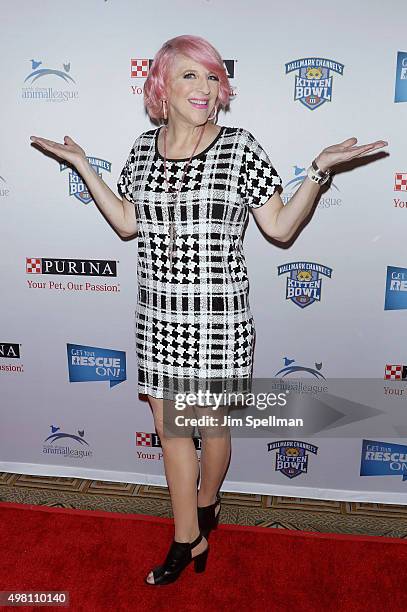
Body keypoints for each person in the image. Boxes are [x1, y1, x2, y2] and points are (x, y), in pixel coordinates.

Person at [30, 34, 387, 586]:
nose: (204, 87)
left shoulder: (240, 147)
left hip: (217, 318)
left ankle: (206, 502)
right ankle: (186, 535)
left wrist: (319, 170)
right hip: (157, 315)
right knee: (169, 427)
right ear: (161, 88)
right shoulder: (142, 149)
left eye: (212, 76)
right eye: (190, 76)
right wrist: (83, 166)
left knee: (207, 429)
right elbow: (128, 222)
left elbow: (280, 227)